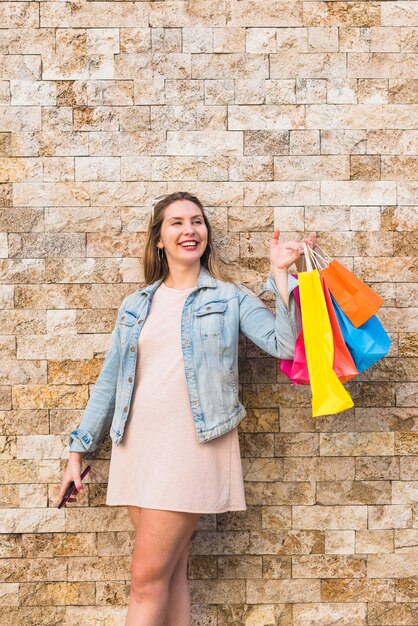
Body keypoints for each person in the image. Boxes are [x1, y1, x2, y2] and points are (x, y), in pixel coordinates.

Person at [58, 191, 316, 626]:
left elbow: (285, 346)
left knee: (145, 579)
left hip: (193, 446)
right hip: (137, 447)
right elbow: (109, 382)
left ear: (206, 234)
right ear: (159, 238)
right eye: (176, 223)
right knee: (168, 574)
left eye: (197, 221)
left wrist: (280, 276)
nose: (189, 230)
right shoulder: (137, 304)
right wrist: (77, 452)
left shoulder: (229, 297)